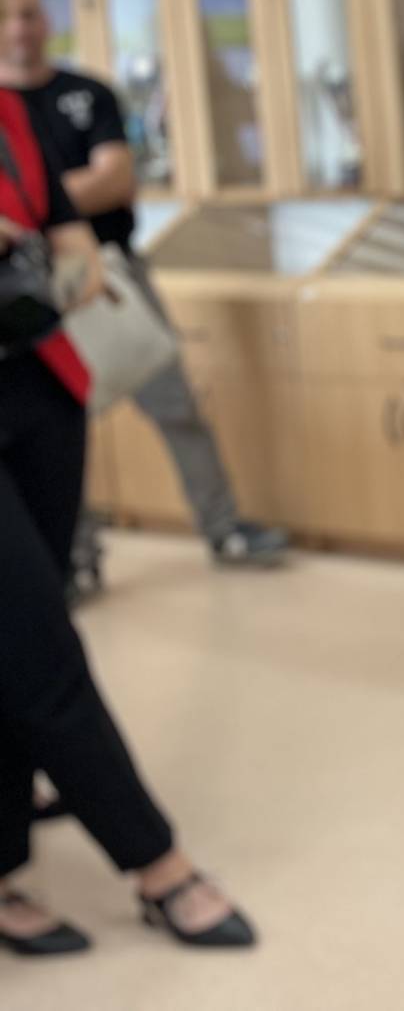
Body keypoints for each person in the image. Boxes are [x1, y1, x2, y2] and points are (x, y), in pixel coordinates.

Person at [0, 85, 255, 957]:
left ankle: (4, 866)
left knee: (19, 642)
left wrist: (52, 255)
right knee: (38, 644)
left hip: (40, 393)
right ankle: (157, 866)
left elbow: (71, 236)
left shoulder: (13, 114)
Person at [0, 0, 289, 590]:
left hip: (108, 275)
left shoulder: (84, 94)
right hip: (25, 299)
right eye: (8, 17)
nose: (21, 29)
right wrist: (50, 209)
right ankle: (75, 559)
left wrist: (41, 209)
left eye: (29, 14)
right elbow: (79, 188)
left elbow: (115, 180)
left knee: (173, 402)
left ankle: (223, 527)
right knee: (54, 425)